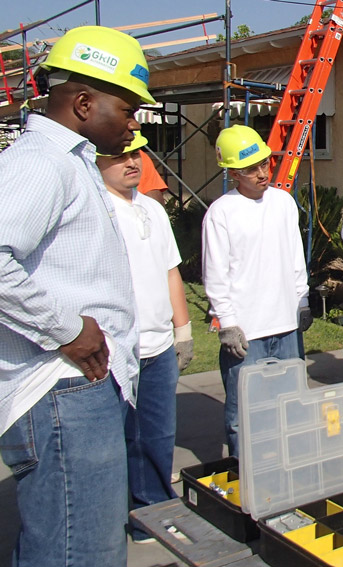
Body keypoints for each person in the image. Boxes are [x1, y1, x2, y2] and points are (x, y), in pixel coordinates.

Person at [0, 25, 153, 567]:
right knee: (78, 553)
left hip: (78, 389)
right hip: (61, 391)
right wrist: (67, 328)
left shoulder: (70, 163)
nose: (135, 123)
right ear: (85, 103)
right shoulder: (42, 161)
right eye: (129, 108)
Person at [96, 132, 194, 543]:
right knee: (112, 442)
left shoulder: (152, 210)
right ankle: (110, 519)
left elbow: (171, 269)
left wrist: (183, 328)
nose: (132, 162)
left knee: (156, 436)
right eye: (119, 155)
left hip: (157, 348)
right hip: (113, 350)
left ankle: (153, 509)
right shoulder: (95, 210)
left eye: (135, 153)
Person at [202, 124, 310, 457]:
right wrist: (228, 323)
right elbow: (215, 275)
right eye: (252, 169)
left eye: (265, 163)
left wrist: (302, 298)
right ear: (233, 172)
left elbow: (294, 256)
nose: (263, 173)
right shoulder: (221, 213)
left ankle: (290, 469)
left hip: (286, 328)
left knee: (291, 408)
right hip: (246, 335)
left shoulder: (282, 202)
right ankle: (244, 477)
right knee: (244, 416)